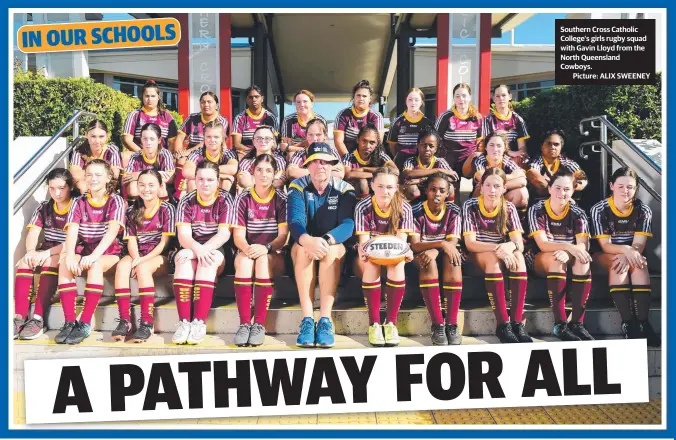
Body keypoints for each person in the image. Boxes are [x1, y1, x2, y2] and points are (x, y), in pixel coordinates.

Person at [287, 142, 357, 348]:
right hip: (305, 243)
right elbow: (295, 222)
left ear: (332, 165)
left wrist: (325, 240)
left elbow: (347, 224)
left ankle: (325, 320)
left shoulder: (345, 188)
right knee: (301, 249)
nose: (321, 166)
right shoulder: (297, 186)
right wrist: (308, 241)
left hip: (332, 244)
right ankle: (307, 320)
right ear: (307, 165)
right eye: (315, 161)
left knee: (332, 250)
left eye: (326, 162)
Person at [55, 160, 126, 345]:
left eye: (98, 175)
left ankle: (85, 322)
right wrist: (69, 255)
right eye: (89, 175)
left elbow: (112, 232)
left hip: (109, 253)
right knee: (64, 263)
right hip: (85, 251)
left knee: (94, 265)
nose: (93, 178)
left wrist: (94, 256)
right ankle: (70, 321)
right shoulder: (79, 201)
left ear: (109, 177)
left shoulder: (115, 200)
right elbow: (72, 231)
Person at [590, 167, 658, 346]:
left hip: (629, 254)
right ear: (611, 186)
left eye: (630, 187)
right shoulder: (600, 209)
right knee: (617, 263)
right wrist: (627, 250)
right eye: (620, 186)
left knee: (640, 263)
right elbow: (605, 246)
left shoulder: (643, 210)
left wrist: (630, 251)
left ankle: (643, 323)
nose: (625, 191)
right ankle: (628, 323)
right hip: (601, 256)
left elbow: (639, 245)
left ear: (636, 189)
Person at [463, 168, 531, 344]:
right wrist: (499, 248)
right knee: (494, 260)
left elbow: (519, 244)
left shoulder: (508, 207)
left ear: (504, 189)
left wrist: (510, 245)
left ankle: (516, 322)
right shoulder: (470, 205)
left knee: (519, 259)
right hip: (478, 256)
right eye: (488, 185)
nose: (492, 190)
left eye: (496, 186)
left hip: (501, 254)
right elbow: (470, 243)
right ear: (481, 187)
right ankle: (502, 323)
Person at [527, 169, 593, 342]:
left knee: (583, 261)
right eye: (557, 188)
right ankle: (560, 324)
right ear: (549, 188)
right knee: (557, 260)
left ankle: (578, 323)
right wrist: (567, 247)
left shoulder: (578, 213)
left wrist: (569, 252)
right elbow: (542, 245)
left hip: (567, 257)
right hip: (540, 258)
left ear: (572, 191)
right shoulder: (537, 209)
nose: (561, 193)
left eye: (566, 189)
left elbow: (582, 246)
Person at [173, 161, 233, 345]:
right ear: (195, 179)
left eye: (209, 179)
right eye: (200, 179)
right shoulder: (187, 200)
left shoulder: (225, 199)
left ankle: (199, 321)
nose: (204, 183)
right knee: (182, 260)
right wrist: (195, 250)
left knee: (207, 261)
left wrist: (200, 251)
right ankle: (184, 322)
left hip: (217, 249)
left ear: (217, 181)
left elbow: (223, 234)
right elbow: (184, 236)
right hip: (192, 246)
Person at [354, 167, 414, 347]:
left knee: (398, 263)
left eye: (389, 187)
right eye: (380, 186)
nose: (384, 191)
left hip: (392, 256)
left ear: (396, 188)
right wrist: (372, 251)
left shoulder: (404, 208)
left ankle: (390, 323)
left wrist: (403, 252)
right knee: (371, 264)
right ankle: (373, 323)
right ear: (372, 186)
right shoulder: (363, 206)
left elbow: (401, 243)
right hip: (367, 256)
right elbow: (364, 245)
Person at [232, 154, 289, 347]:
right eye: (259, 170)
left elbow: (282, 237)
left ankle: (259, 324)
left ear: (274, 174)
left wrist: (265, 248)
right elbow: (238, 236)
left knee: (263, 260)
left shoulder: (281, 198)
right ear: (252, 172)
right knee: (246, 262)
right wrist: (249, 249)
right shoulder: (243, 198)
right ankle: (244, 323)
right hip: (248, 250)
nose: (263, 174)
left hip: (273, 253)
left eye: (268, 171)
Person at [113, 169, 175, 343]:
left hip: (159, 256)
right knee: (122, 265)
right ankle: (125, 320)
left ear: (160, 187)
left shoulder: (167, 209)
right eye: (142, 185)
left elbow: (164, 244)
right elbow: (131, 241)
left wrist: (141, 261)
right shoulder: (132, 211)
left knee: (142, 267)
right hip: (138, 254)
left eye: (151, 185)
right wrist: (135, 259)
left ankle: (147, 322)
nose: (146, 189)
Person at [14, 169, 74, 340]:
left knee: (49, 261)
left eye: (61, 188)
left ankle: (38, 319)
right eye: (52, 188)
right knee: (25, 262)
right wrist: (31, 252)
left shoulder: (77, 205)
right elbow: (33, 232)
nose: (57, 193)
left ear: (69, 187)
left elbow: (73, 240)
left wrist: (46, 253)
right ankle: (19, 317)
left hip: (67, 249)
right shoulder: (44, 207)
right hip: (47, 247)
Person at [410, 173, 464, 346]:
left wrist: (439, 248)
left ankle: (452, 324)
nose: (437, 194)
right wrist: (438, 245)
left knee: (453, 259)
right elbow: (415, 245)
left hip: (443, 256)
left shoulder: (454, 210)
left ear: (448, 193)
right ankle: (437, 324)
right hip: (421, 255)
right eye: (433, 190)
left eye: (442, 190)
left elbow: (452, 244)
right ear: (426, 191)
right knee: (428, 261)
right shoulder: (416, 210)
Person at [173, 92, 231, 198]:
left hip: (211, 150)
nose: (206, 105)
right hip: (193, 152)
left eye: (209, 102)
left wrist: (188, 152)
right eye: (203, 102)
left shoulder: (222, 121)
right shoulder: (192, 117)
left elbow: (208, 142)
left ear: (217, 105)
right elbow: (180, 136)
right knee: (181, 160)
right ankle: (178, 195)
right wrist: (178, 151)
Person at [435, 83, 484, 197]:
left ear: (470, 97)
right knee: (452, 192)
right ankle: (455, 210)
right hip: (449, 159)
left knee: (480, 184)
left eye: (464, 95)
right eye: (457, 96)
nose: (461, 99)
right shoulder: (445, 116)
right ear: (453, 98)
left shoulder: (477, 117)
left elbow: (480, 143)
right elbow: (436, 140)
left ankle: (473, 205)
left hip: (469, 160)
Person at [121, 80, 178, 167]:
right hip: (139, 155)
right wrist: (143, 154)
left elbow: (172, 143)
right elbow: (127, 140)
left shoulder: (167, 117)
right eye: (147, 96)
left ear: (158, 97)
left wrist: (165, 157)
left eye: (153, 96)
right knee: (124, 156)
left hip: (161, 158)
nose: (149, 99)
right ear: (142, 97)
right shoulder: (134, 115)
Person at [471, 131, 528, 211]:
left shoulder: (507, 161)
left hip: (501, 195)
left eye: (499, 146)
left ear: (504, 148)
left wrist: (498, 186)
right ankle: (479, 216)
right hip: (483, 196)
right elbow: (482, 177)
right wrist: (511, 177)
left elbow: (522, 181)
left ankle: (506, 218)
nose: (495, 149)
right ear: (486, 147)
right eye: (491, 145)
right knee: (481, 186)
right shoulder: (480, 160)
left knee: (522, 192)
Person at [180, 120, 238, 196]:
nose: (212, 140)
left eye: (216, 137)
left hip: (220, 186)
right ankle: (194, 206)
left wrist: (208, 173)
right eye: (208, 137)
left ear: (222, 139)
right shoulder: (197, 153)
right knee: (191, 181)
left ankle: (222, 205)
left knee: (227, 180)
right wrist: (220, 175)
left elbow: (233, 168)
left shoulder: (228, 153)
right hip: (203, 185)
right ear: (204, 138)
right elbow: (187, 171)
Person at [527, 129, 588, 200]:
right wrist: (565, 188)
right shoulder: (535, 162)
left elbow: (583, 180)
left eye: (556, 144)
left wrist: (569, 189)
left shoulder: (567, 162)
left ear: (561, 147)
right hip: (540, 204)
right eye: (549, 144)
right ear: (542, 146)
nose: (553, 147)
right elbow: (538, 180)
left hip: (566, 201)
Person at [122, 123, 176, 200]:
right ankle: (138, 208)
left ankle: (162, 210)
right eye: (145, 138)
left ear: (159, 140)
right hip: (142, 189)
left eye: (152, 139)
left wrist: (139, 175)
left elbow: (170, 178)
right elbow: (125, 178)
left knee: (161, 186)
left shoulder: (165, 154)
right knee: (133, 187)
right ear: (141, 139)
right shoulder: (136, 156)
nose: (148, 143)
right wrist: (159, 174)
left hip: (159, 192)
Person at [401, 127, 456, 202]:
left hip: (434, 191)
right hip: (418, 192)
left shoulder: (440, 162)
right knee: (412, 188)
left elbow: (453, 178)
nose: (427, 148)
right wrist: (438, 170)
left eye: (431, 146)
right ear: (418, 145)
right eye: (424, 145)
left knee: (450, 188)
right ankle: (414, 211)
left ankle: (449, 210)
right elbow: (408, 174)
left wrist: (421, 180)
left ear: (436, 149)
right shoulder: (411, 161)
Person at [342, 125, 396, 199]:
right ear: (357, 140)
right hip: (355, 194)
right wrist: (377, 173)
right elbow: (348, 174)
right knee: (362, 182)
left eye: (372, 142)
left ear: (377, 143)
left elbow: (395, 171)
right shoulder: (349, 157)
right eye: (364, 141)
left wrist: (364, 169)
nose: (367, 146)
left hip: (377, 192)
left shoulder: (380, 155)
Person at [333, 79, 385, 157]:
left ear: (370, 98)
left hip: (370, 158)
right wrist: (348, 159)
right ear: (354, 97)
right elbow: (338, 141)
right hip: (348, 157)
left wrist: (367, 161)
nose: (361, 98)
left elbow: (378, 141)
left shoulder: (376, 116)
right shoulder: (342, 115)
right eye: (358, 95)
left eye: (364, 96)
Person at [386, 88, 435, 169]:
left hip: (420, 164)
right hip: (401, 163)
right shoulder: (397, 122)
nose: (413, 103)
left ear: (422, 102)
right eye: (410, 99)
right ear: (406, 101)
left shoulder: (427, 123)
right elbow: (392, 146)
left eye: (416, 100)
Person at [483, 85, 530, 166]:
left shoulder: (518, 119)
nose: (501, 98)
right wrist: (509, 153)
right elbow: (487, 147)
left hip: (514, 159)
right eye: (497, 96)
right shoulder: (487, 120)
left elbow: (522, 148)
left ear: (510, 96)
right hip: (495, 158)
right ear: (493, 99)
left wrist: (518, 155)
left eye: (504, 95)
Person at [69, 120, 122, 193]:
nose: (97, 141)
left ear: (107, 136)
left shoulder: (111, 150)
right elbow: (75, 175)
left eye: (101, 136)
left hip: (106, 186)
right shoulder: (79, 152)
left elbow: (115, 174)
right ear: (86, 135)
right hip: (87, 185)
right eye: (93, 136)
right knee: (81, 186)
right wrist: (101, 174)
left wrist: (88, 173)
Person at [231, 85, 278, 158]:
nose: (254, 99)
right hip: (246, 152)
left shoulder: (271, 118)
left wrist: (261, 151)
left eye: (257, 96)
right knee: (239, 157)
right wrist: (253, 152)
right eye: (250, 97)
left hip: (266, 152)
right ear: (246, 100)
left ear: (262, 99)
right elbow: (236, 144)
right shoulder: (239, 118)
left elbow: (274, 143)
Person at [279, 90, 326, 160]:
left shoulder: (320, 120)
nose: (302, 104)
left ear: (312, 104)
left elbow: (323, 143)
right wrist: (303, 147)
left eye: (305, 101)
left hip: (316, 151)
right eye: (298, 102)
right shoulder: (288, 120)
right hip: (294, 153)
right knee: (291, 155)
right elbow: (284, 147)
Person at [237, 125, 287, 190]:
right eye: (259, 138)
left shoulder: (279, 160)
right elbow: (243, 180)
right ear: (253, 142)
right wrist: (270, 179)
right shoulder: (247, 161)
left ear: (273, 142)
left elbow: (278, 182)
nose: (263, 141)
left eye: (267, 138)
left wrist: (253, 178)